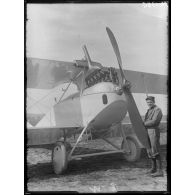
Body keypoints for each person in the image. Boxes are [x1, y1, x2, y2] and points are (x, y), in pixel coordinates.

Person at [144, 96, 164, 177]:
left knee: (155, 149)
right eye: (148, 102)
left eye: (150, 102)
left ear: (153, 101)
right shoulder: (149, 110)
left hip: (153, 131)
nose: (149, 104)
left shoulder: (157, 110)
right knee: (149, 149)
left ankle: (160, 171)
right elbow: (147, 120)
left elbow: (154, 121)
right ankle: (154, 168)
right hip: (147, 131)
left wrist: (144, 124)